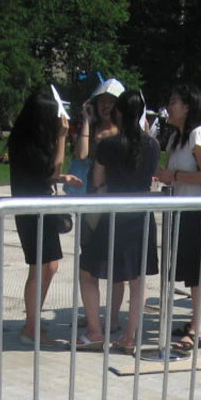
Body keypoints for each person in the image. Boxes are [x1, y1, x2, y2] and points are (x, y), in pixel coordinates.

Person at [80, 90, 159, 351]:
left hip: (113, 215)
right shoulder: (153, 145)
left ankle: (95, 330)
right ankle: (129, 336)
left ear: (119, 112)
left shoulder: (108, 144)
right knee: (137, 280)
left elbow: (98, 180)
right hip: (142, 216)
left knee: (87, 271)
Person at [8, 90, 82, 347]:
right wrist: (62, 137)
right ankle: (31, 326)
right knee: (43, 267)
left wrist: (60, 178)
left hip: (38, 208)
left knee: (47, 266)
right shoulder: (25, 141)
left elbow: (44, 173)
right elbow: (51, 169)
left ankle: (32, 322)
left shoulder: (29, 141)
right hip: (32, 212)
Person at [154, 84, 201, 350]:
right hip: (179, 211)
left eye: (174, 101)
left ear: (188, 106)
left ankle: (196, 330)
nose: (169, 106)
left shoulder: (199, 135)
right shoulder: (174, 139)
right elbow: (167, 173)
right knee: (190, 271)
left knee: (197, 271)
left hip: (197, 211)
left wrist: (175, 176)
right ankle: (197, 323)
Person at [74, 78, 125, 331]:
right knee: (90, 260)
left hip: (113, 202)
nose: (106, 107)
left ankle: (113, 317)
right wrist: (86, 119)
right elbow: (81, 154)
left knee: (116, 264)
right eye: (102, 102)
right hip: (91, 202)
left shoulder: (124, 132)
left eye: (111, 102)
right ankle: (93, 312)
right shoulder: (92, 130)